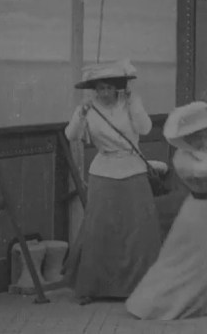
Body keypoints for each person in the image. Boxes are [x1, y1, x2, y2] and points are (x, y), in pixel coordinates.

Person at [125, 102, 207, 320]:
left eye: (204, 133)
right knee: (185, 260)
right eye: (194, 136)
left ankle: (199, 300)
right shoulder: (182, 158)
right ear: (186, 137)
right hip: (197, 211)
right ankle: (155, 304)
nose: (200, 139)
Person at [63, 59, 161, 305]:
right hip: (103, 171)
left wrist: (134, 102)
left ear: (118, 87)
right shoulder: (88, 108)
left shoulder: (129, 103)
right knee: (99, 230)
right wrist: (80, 114)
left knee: (138, 230)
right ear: (94, 89)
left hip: (132, 168)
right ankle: (94, 287)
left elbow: (145, 129)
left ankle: (140, 286)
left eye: (109, 87)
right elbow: (71, 135)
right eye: (100, 88)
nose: (104, 93)